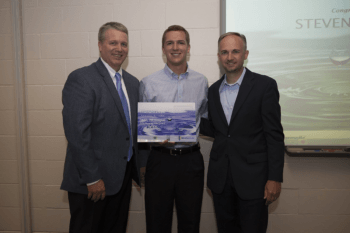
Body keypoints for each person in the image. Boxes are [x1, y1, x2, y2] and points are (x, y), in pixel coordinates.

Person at [61, 22, 142, 233]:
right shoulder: (82, 79)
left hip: (122, 177)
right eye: (113, 42)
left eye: (124, 44)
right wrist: (92, 178)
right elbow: (77, 134)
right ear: (100, 45)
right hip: (93, 180)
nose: (119, 48)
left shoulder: (133, 83)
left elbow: (131, 130)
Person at [200, 32, 285, 233]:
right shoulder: (212, 91)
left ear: (245, 54)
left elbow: (274, 135)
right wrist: (182, 123)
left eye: (235, 51)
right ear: (219, 56)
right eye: (225, 52)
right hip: (221, 182)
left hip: (254, 181)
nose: (230, 57)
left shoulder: (265, 86)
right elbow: (218, 130)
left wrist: (275, 178)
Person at [139, 25, 208, 233]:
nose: (175, 47)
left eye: (180, 42)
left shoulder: (202, 82)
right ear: (163, 48)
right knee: (157, 223)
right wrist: (152, 139)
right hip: (160, 161)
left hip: (191, 161)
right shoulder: (148, 83)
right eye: (170, 43)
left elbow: (203, 117)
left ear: (188, 47)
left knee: (190, 223)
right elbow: (144, 128)